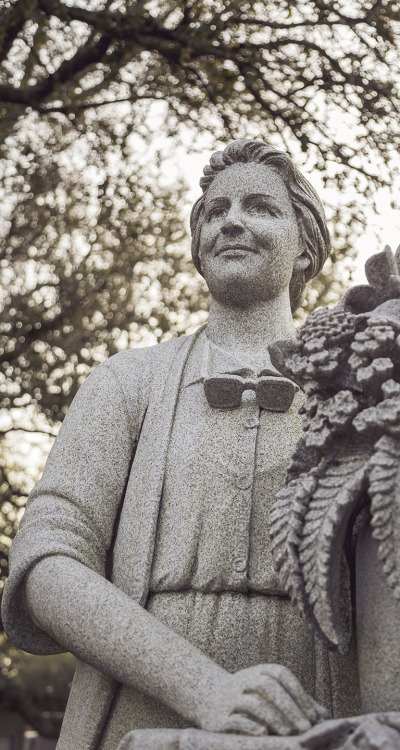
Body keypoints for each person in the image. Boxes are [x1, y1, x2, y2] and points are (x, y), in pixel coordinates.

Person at [2, 140, 337, 750]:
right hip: (142, 706)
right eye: (215, 211)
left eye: (260, 207)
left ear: (305, 246)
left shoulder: (358, 391)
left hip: (317, 706)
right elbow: (46, 564)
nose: (232, 219)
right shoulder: (126, 382)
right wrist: (204, 689)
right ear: (198, 248)